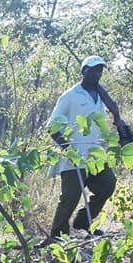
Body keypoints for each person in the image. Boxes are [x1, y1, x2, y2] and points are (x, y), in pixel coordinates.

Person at [46, 55, 129, 240]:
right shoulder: (70, 96)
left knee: (108, 184)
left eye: (100, 70)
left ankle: (83, 221)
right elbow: (52, 127)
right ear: (84, 71)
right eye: (93, 70)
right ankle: (57, 237)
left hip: (95, 155)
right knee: (70, 198)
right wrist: (68, 149)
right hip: (74, 156)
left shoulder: (100, 95)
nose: (97, 74)